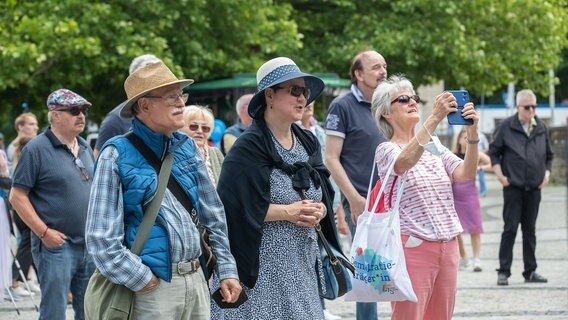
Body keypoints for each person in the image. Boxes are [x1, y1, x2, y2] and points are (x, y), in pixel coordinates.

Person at [86, 61, 241, 320]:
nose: (181, 103)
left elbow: (214, 214)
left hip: (196, 279)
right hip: (152, 289)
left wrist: (226, 268)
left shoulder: (187, 148)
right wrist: (142, 279)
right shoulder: (115, 154)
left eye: (181, 95)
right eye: (171, 97)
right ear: (143, 105)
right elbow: (101, 238)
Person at [214, 57, 342, 319]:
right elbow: (231, 208)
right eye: (295, 90)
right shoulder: (247, 147)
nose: (302, 98)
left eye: (305, 91)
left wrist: (319, 211)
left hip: (302, 263)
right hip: (261, 268)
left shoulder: (307, 141)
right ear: (269, 95)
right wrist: (287, 212)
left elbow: (323, 192)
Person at [371, 75, 479, 320]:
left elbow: (466, 174)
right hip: (414, 247)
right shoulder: (387, 149)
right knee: (409, 316)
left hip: (449, 245)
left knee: (442, 317)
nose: (413, 102)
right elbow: (405, 162)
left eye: (414, 98)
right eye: (404, 99)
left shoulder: (434, 145)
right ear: (386, 113)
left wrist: (472, 135)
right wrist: (435, 117)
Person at [9, 89, 96, 319]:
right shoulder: (36, 149)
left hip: (88, 245)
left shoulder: (85, 147)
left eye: (84, 111)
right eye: (74, 111)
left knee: (89, 310)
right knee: (54, 312)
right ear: (55, 115)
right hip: (57, 247)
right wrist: (44, 232)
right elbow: (17, 196)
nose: (81, 116)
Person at [324, 49, 387, 320]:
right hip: (362, 202)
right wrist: (354, 198)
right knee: (370, 273)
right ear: (358, 74)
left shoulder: (388, 105)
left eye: (384, 66)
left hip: (392, 199)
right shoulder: (342, 106)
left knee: (398, 270)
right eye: (375, 67)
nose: (382, 71)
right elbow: (331, 159)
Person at [489, 89, 554, 286]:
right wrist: (500, 175)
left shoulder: (541, 126)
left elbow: (549, 155)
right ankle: (503, 271)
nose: (532, 110)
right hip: (513, 187)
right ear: (518, 107)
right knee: (510, 229)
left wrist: (547, 174)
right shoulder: (506, 126)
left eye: (534, 106)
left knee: (530, 231)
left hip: (534, 188)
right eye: (527, 107)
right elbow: (494, 152)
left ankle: (530, 271)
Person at [297, 102, 343, 320]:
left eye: (311, 102)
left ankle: (321, 303)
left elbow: (328, 174)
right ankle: (318, 305)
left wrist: (337, 208)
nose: (307, 106)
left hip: (325, 201)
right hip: (306, 207)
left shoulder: (319, 132)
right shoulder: (292, 132)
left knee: (324, 255)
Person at [93, 54, 161, 158]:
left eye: (159, 76)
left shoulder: (170, 114)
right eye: (147, 78)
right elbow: (99, 161)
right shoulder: (115, 120)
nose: (155, 82)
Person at [5, 135, 41, 301]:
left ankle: (26, 279)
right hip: (25, 209)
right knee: (27, 244)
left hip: (22, 209)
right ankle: (14, 280)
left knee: (30, 243)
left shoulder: (21, 158)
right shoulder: (27, 159)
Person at [452, 128, 491, 272]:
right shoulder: (452, 155)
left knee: (475, 226)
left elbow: (492, 164)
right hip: (455, 194)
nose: (465, 140)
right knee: (456, 230)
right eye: (463, 137)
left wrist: (481, 169)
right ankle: (464, 258)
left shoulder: (476, 154)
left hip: (470, 193)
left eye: (468, 137)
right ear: (459, 140)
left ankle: (477, 259)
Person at [180, 105, 225, 185]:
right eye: (194, 126)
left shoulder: (216, 153)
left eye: (205, 128)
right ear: (180, 127)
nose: (200, 131)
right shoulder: (174, 154)